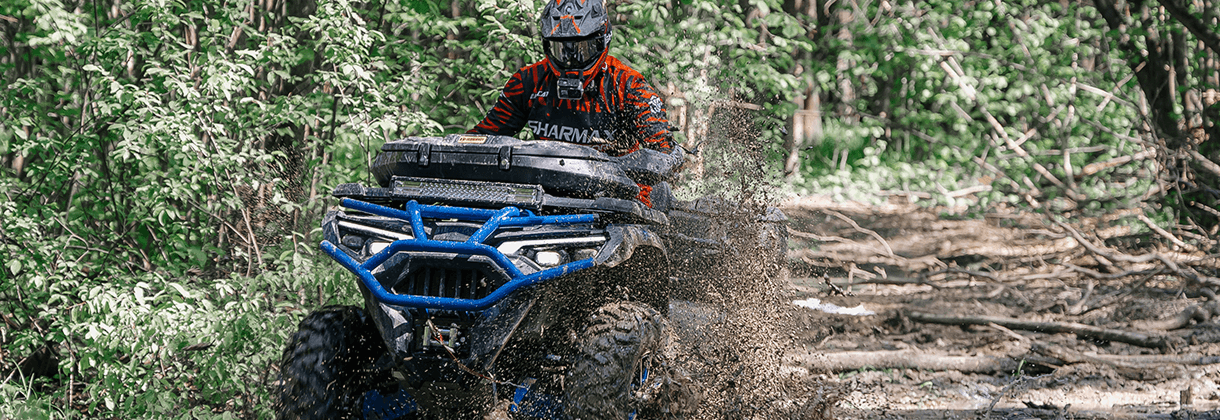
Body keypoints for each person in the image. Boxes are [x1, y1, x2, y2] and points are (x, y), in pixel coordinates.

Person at [469, 0, 677, 207]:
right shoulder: (527, 82)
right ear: (547, 46)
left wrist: (640, 165)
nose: (570, 60)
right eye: (561, 49)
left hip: (622, 202)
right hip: (545, 199)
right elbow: (482, 139)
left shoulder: (628, 86)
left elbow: (666, 151)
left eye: (581, 49)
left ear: (601, 42)